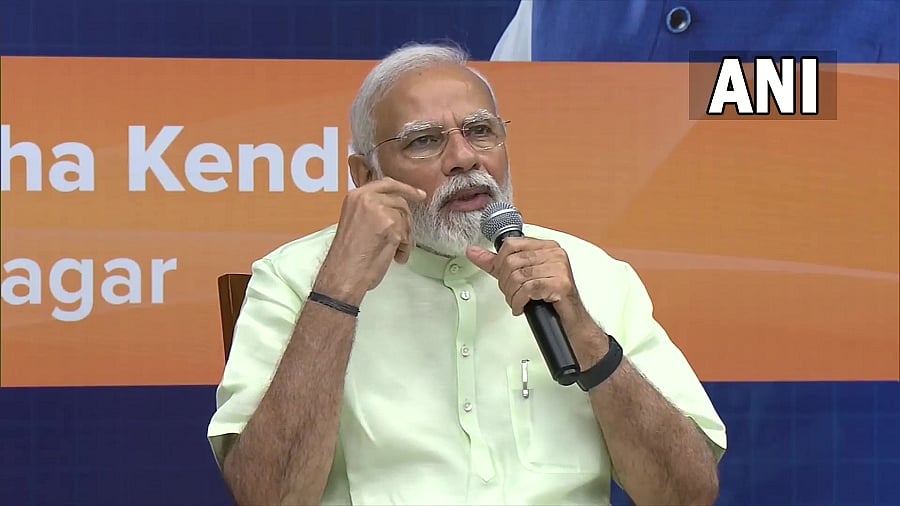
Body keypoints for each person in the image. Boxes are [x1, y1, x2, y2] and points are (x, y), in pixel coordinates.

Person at [207, 42, 727, 506]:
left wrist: (587, 339)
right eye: (424, 141)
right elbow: (268, 497)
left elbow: (686, 495)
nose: (464, 158)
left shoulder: (590, 274)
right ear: (366, 177)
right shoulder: (295, 279)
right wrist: (337, 293)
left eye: (481, 132)